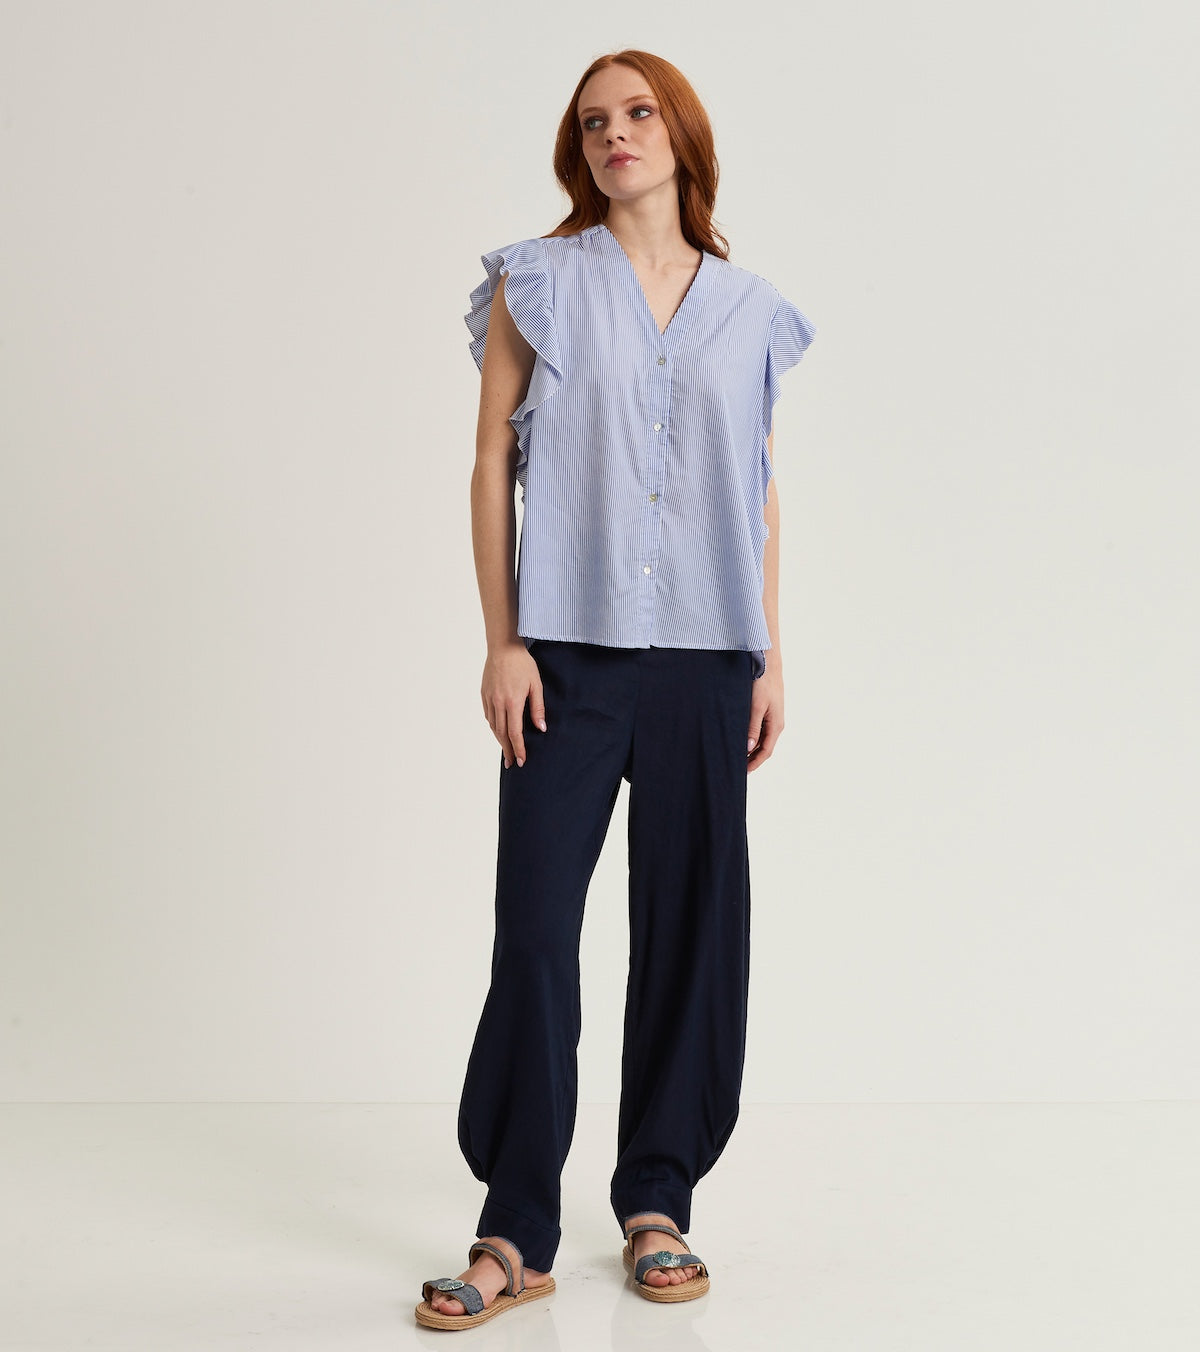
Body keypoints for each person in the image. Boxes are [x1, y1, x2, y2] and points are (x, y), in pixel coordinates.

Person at [415, 48, 816, 1331]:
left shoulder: (751, 310)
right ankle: (513, 1225)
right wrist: (502, 639)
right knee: (535, 928)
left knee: (692, 926)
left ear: (682, 135)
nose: (614, 135)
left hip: (707, 660)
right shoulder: (538, 282)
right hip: (566, 657)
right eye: (593, 122)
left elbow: (756, 486)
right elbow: (491, 462)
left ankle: (658, 1200)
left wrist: (768, 652)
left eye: (639, 113)